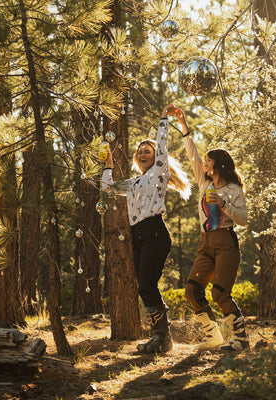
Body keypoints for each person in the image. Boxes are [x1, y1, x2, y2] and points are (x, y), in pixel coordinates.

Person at [101, 104, 191, 354]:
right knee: (145, 285)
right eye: (140, 151)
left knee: (147, 285)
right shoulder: (133, 182)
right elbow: (107, 189)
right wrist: (107, 163)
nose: (143, 154)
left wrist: (163, 118)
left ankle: (163, 336)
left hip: (155, 233)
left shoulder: (158, 173)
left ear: (155, 157)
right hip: (138, 237)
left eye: (148, 151)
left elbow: (163, 147)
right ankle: (160, 335)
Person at [167, 104, 249, 351]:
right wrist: (183, 126)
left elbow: (243, 219)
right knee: (192, 291)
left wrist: (223, 203)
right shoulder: (205, 183)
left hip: (226, 242)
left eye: (209, 160)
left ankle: (241, 340)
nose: (204, 164)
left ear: (219, 164)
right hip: (205, 243)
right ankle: (212, 335)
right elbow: (192, 154)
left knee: (220, 294)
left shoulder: (233, 190)